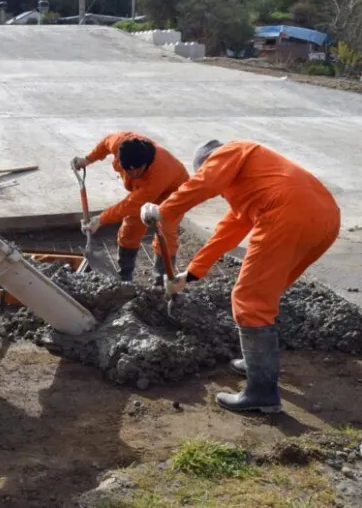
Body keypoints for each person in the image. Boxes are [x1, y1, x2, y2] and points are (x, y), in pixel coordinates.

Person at [140, 140, 340, 415]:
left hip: (286, 213)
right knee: (265, 294)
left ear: (211, 162)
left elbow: (204, 183)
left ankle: (262, 393)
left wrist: (164, 209)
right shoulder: (252, 183)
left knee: (250, 300)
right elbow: (226, 233)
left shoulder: (230, 152)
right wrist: (191, 274)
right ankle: (257, 364)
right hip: (325, 219)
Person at [71, 133, 189, 285]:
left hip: (173, 191)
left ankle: (162, 281)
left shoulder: (160, 172)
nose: (132, 174)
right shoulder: (120, 142)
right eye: (128, 170)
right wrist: (87, 159)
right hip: (143, 191)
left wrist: (101, 219)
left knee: (165, 231)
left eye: (137, 170)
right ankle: (124, 276)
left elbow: (131, 204)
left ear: (146, 163)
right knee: (130, 228)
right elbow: (106, 143)